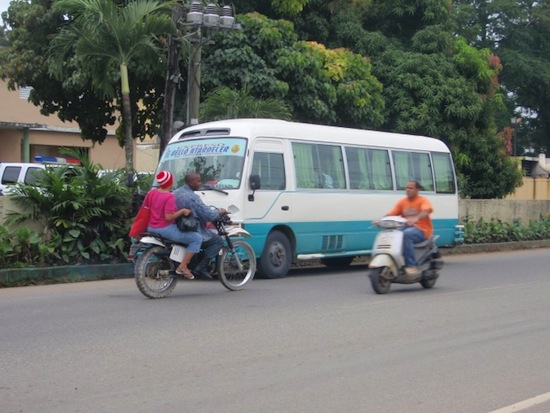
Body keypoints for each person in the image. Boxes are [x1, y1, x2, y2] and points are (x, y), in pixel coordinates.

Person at [145, 170, 202, 280]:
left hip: (151, 227)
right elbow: (169, 217)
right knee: (196, 238)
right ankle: (183, 266)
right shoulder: (169, 196)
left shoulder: (152, 193)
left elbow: (146, 208)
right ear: (170, 182)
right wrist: (183, 211)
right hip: (165, 229)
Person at [173, 172, 227, 280]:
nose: (200, 183)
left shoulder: (175, 192)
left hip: (175, 227)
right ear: (192, 182)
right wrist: (219, 212)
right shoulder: (193, 198)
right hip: (190, 229)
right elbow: (207, 215)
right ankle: (201, 267)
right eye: (198, 181)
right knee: (218, 241)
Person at [385, 180, 434, 276]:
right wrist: (382, 220)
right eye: (407, 188)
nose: (408, 190)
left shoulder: (422, 200)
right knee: (394, 233)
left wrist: (416, 218)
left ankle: (411, 265)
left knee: (406, 234)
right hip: (406, 227)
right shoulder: (402, 202)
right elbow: (391, 213)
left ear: (417, 190)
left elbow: (426, 210)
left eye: (411, 188)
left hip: (422, 230)